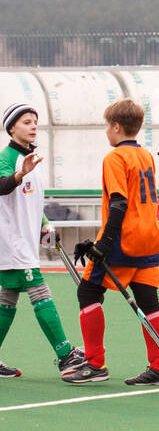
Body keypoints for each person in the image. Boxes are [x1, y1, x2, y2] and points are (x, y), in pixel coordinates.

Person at [64, 99, 159, 384]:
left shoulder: (114, 158)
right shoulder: (145, 156)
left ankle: (95, 364)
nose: (106, 133)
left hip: (124, 241)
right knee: (149, 301)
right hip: (150, 239)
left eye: (106, 127)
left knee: (88, 293)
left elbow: (119, 203)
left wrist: (104, 242)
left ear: (116, 126)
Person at [0, 103, 84, 378]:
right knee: (40, 292)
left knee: (7, 299)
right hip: (12, 243)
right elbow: (2, 186)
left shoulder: (32, 159)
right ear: (12, 128)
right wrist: (19, 174)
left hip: (23, 243)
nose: (34, 126)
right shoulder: (8, 157)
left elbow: (31, 204)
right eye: (26, 122)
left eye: (35, 121)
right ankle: (65, 355)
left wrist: (45, 226)